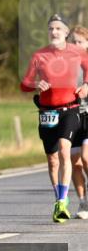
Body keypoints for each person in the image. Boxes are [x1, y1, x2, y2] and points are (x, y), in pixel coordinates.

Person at [21, 15, 88, 223]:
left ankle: (62, 201)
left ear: (66, 32)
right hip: (47, 113)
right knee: (52, 160)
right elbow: (25, 83)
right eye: (51, 28)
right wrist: (35, 85)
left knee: (65, 151)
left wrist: (86, 85)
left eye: (59, 28)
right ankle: (59, 196)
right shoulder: (40, 55)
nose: (54, 32)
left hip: (70, 108)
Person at [71, 24, 88, 220]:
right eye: (73, 42)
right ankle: (83, 202)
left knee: (86, 156)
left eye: (80, 42)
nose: (76, 45)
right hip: (71, 117)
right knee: (74, 162)